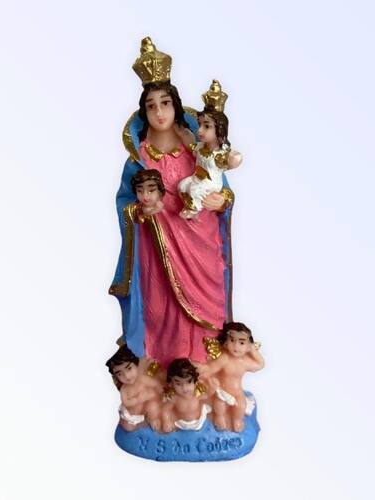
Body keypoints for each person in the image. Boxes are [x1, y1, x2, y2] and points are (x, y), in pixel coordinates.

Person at [109, 37, 235, 367]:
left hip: (200, 242)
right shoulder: (139, 159)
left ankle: (205, 359)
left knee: (206, 300)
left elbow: (222, 188)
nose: (159, 112)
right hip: (157, 246)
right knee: (160, 302)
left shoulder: (197, 149)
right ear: (144, 111)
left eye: (165, 103)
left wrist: (221, 201)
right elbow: (124, 203)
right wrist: (140, 210)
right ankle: (165, 361)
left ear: (176, 105)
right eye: (151, 106)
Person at [177, 80, 243, 219]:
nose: (199, 131)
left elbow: (234, 159)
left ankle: (194, 209)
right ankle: (189, 204)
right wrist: (182, 133)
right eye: (200, 125)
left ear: (219, 129)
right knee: (182, 186)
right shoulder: (201, 147)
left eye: (206, 126)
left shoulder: (220, 154)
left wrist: (234, 157)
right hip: (197, 178)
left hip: (211, 184)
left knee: (195, 190)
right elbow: (190, 144)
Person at [197, 322, 264, 432]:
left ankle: (237, 420)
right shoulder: (224, 359)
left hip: (237, 391)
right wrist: (208, 378)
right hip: (223, 390)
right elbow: (211, 369)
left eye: (242, 343)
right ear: (226, 343)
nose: (236, 346)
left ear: (248, 346)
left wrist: (253, 351)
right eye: (232, 340)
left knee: (241, 406)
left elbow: (260, 364)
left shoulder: (245, 362)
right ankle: (219, 417)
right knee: (219, 405)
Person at [105, 345, 163, 432]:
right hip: (134, 413)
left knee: (153, 406)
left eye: (129, 368)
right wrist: (138, 399)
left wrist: (160, 391)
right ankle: (138, 423)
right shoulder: (124, 389)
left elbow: (156, 384)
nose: (127, 376)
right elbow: (126, 402)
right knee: (129, 427)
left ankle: (153, 419)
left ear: (136, 365)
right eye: (120, 374)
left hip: (146, 409)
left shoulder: (142, 379)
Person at [161, 358, 211, 433]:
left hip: (199, 421)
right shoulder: (175, 399)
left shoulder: (197, 394)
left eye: (189, 382)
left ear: (195, 381)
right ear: (171, 384)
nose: (185, 388)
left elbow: (208, 397)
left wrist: (211, 387)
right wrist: (166, 422)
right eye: (178, 384)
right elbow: (165, 410)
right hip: (181, 424)